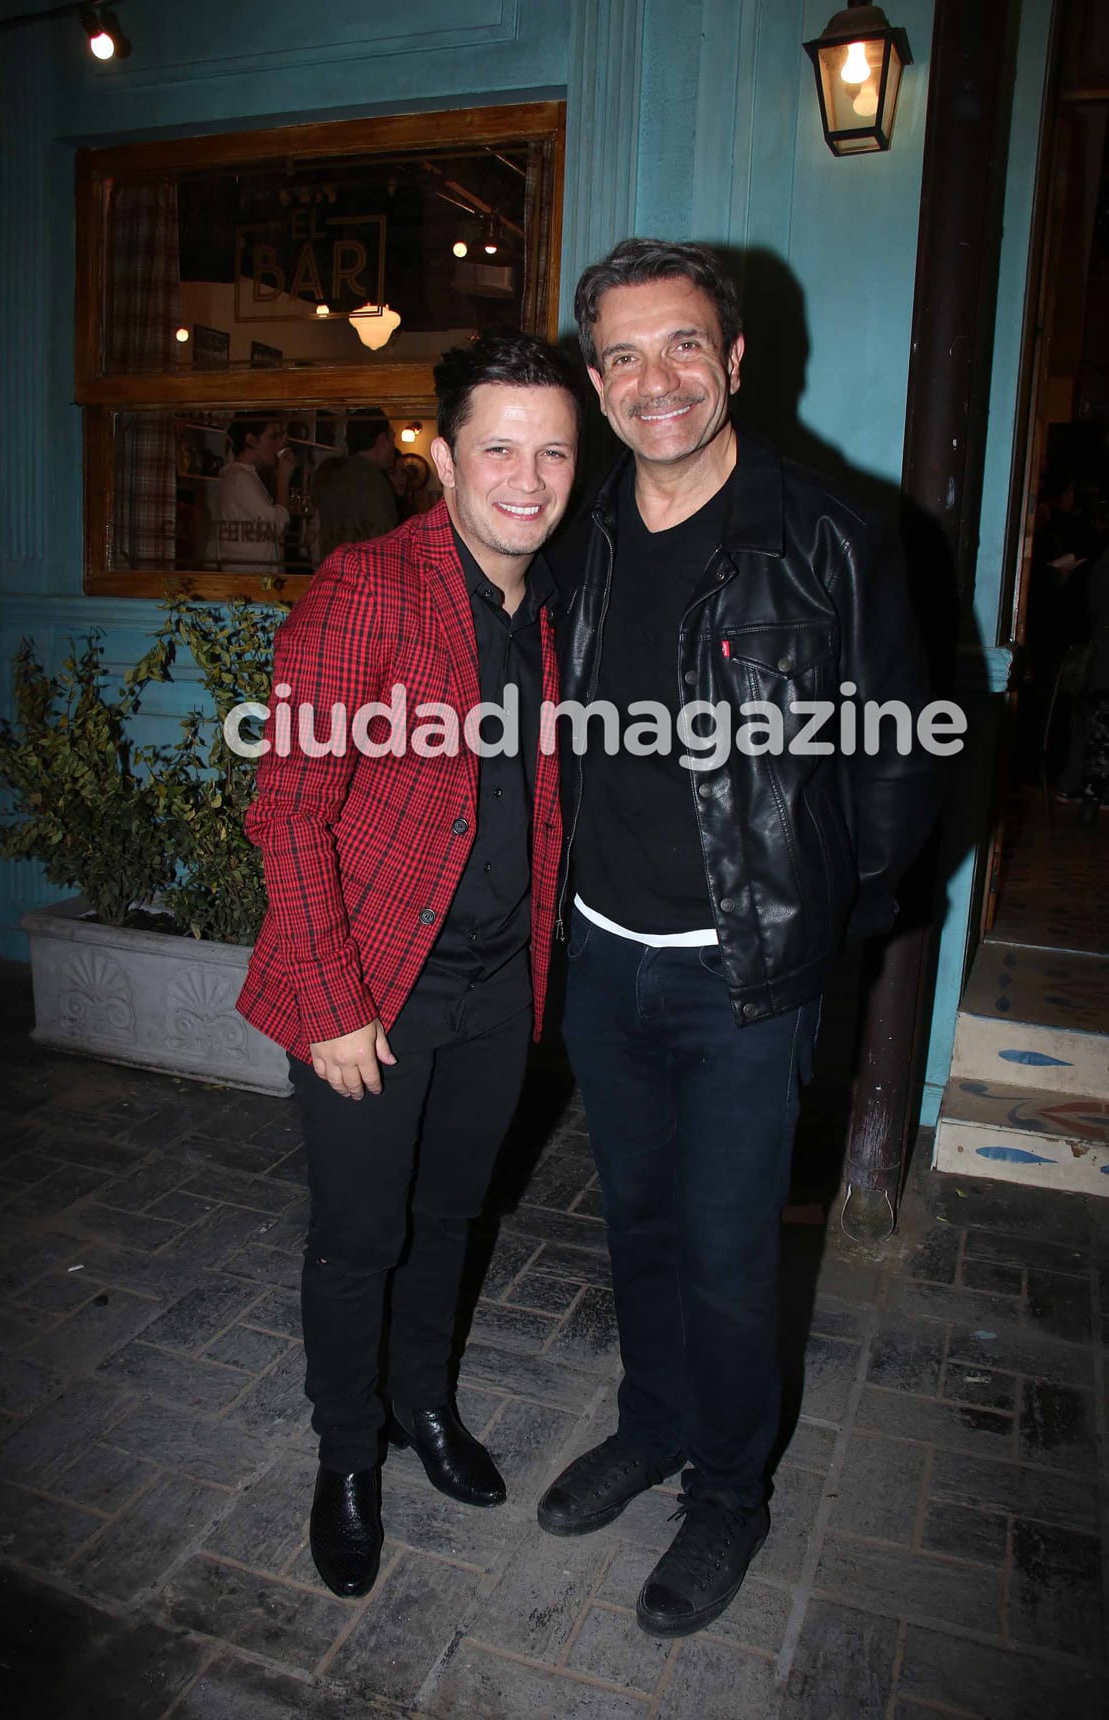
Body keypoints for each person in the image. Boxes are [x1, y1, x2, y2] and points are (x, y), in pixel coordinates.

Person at [537, 239, 939, 1638]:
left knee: (723, 1250)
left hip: (739, 976)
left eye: (684, 345)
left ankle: (727, 1493)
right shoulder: (581, 530)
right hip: (599, 952)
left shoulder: (830, 532)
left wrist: (825, 925)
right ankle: (651, 1425)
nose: (658, 381)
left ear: (735, 358)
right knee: (636, 1226)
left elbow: (898, 764)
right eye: (625, 356)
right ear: (595, 381)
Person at [237, 328, 580, 1599]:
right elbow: (287, 807)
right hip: (369, 984)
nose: (527, 476)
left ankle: (423, 1407)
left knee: (450, 1217)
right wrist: (330, 1005)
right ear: (443, 458)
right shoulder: (364, 586)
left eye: (551, 449)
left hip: (496, 983)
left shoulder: (545, 601)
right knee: (357, 1236)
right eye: (499, 446)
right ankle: (345, 1458)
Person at [312, 406, 400, 558]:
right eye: (392, 438)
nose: (394, 446)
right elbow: (386, 550)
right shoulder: (376, 483)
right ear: (381, 439)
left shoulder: (333, 478)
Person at [217, 412, 296, 572]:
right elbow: (276, 524)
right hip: (250, 583)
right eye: (273, 437)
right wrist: (283, 480)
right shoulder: (240, 478)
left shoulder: (242, 476)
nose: (281, 444)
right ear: (251, 439)